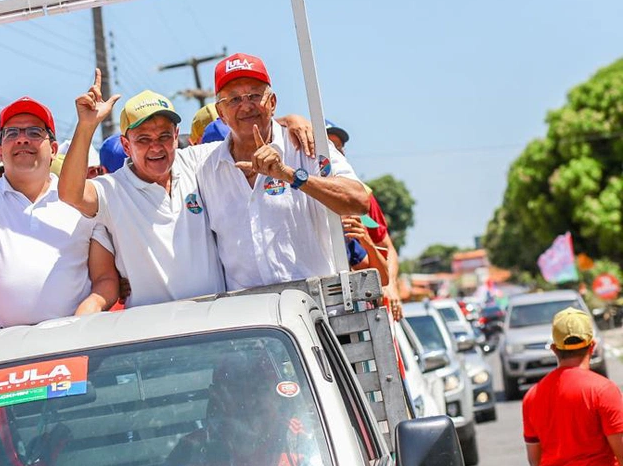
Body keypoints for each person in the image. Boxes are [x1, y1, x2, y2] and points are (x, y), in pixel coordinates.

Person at [0, 92, 119, 330]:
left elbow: (105, 279)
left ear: (54, 150)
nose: (22, 140)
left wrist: (87, 312)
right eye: (12, 133)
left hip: (69, 346)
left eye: (34, 133)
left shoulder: (80, 202)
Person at [197, 53, 372, 290]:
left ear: (272, 102)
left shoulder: (307, 146)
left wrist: (291, 176)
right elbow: (150, 153)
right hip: (248, 319)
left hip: (314, 314)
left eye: (254, 95)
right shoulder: (203, 166)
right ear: (221, 112)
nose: (246, 106)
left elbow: (359, 200)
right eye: (234, 99)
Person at [58, 71, 225, 306]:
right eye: (143, 139)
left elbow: (245, 139)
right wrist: (87, 126)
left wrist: (290, 121)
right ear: (126, 146)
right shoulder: (113, 190)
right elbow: (70, 194)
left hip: (217, 325)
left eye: (164, 136)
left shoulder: (195, 163)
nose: (156, 147)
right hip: (153, 335)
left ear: (176, 136)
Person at [161, 350, 326, 466]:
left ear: (278, 395)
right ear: (217, 395)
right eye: (238, 390)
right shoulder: (189, 451)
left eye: (259, 389)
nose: (249, 401)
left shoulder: (307, 441)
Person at [523, 307, 623, 466]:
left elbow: (534, 459)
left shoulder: (532, 396)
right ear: (592, 346)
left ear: (554, 349)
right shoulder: (603, 390)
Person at [326, 120, 402, 320]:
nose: (336, 153)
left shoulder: (363, 197)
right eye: (329, 147)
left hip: (364, 308)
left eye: (339, 148)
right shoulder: (298, 196)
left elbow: (386, 249)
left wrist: (391, 287)